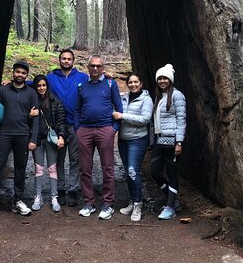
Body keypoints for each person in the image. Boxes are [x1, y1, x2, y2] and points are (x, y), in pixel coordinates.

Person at [0, 61, 38, 216]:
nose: (20, 75)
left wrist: (33, 139)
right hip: (4, 134)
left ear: (27, 75)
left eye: (23, 73)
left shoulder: (31, 93)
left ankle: (18, 200)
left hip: (23, 135)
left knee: (20, 168)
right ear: (13, 72)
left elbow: (36, 118)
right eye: (18, 72)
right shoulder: (3, 90)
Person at [75, 55, 123, 220]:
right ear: (87, 67)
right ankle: (88, 203)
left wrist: (113, 129)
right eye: (92, 66)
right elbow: (77, 109)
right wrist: (78, 129)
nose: (95, 68)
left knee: (107, 168)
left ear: (103, 67)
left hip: (105, 129)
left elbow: (119, 107)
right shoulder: (82, 85)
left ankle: (108, 203)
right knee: (85, 168)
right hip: (85, 130)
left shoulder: (110, 84)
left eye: (98, 66)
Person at [46, 49, 89, 207]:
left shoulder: (82, 77)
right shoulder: (51, 77)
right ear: (59, 60)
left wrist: (108, 79)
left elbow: (95, 84)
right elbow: (37, 84)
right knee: (59, 160)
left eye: (69, 59)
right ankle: (60, 189)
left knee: (75, 160)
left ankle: (73, 190)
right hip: (58, 125)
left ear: (73, 61)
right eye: (63, 58)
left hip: (76, 125)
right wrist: (15, 83)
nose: (66, 61)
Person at [112, 73, 153, 222]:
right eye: (130, 82)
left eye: (136, 82)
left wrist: (123, 116)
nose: (133, 84)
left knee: (133, 171)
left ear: (141, 84)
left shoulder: (146, 99)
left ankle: (138, 204)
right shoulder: (124, 98)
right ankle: (133, 200)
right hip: (123, 140)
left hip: (138, 140)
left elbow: (145, 119)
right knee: (128, 172)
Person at [150, 64, 187, 220]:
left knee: (172, 174)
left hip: (172, 141)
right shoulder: (159, 96)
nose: (162, 81)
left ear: (170, 80)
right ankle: (173, 200)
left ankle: (170, 207)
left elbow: (181, 119)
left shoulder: (177, 96)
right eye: (160, 78)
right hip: (159, 140)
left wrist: (179, 142)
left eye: (165, 78)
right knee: (155, 172)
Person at [29, 74, 67, 212]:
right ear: (35, 86)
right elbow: (25, 120)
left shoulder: (54, 101)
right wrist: (29, 115)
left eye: (43, 85)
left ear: (47, 86)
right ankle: (38, 196)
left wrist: (61, 136)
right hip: (37, 140)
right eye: (38, 85)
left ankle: (54, 197)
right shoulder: (31, 101)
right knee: (38, 168)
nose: (41, 88)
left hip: (51, 139)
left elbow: (61, 120)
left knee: (52, 168)